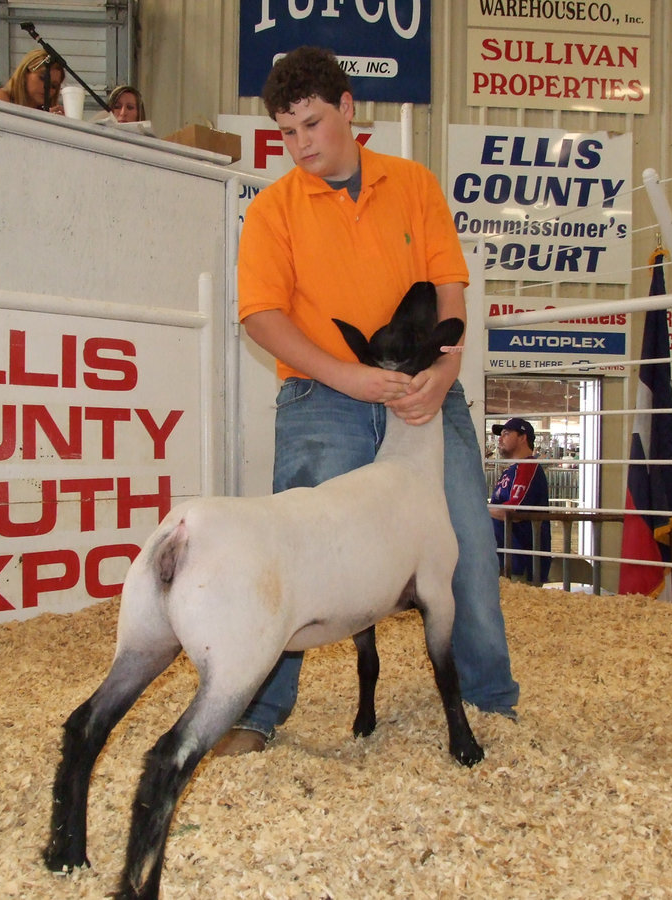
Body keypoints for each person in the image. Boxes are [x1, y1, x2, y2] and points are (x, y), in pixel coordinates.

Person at [214, 46, 518, 757]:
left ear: (348, 109)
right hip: (323, 395)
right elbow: (262, 316)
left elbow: (449, 285)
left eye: (312, 125)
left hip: (422, 391)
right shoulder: (273, 211)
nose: (300, 146)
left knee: (468, 542)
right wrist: (346, 377)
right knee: (299, 552)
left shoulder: (412, 184)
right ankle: (259, 713)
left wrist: (445, 375)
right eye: (286, 133)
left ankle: (489, 698)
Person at [488, 418, 552, 584]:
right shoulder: (511, 471)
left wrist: (479, 510)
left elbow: (514, 511)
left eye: (506, 434)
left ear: (523, 438)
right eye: (500, 435)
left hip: (519, 559)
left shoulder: (527, 467)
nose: (500, 439)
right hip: (505, 556)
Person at [0, 49, 64, 114]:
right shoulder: (0, 96)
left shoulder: (47, 112)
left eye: (54, 86)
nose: (47, 88)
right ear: (24, 73)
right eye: (43, 78)